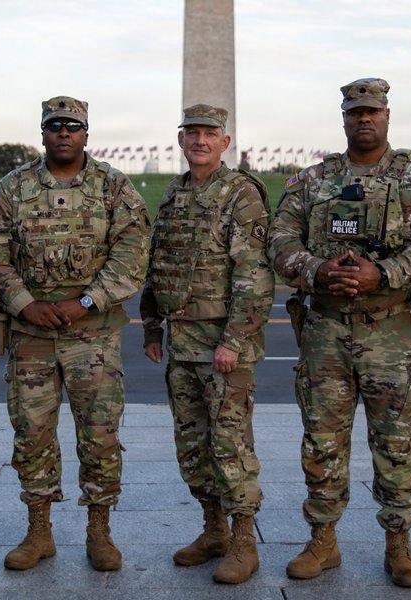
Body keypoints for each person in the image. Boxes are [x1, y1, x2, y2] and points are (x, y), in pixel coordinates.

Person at [267, 78, 411, 587]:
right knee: (322, 442)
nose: (364, 119)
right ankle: (323, 541)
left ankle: (399, 542)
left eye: (372, 111)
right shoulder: (312, 181)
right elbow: (279, 238)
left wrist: (386, 273)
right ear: (344, 118)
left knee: (396, 444)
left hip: (390, 333)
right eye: (355, 112)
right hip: (325, 331)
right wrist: (314, 270)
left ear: (388, 115)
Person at [0, 96, 150, 572]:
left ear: (86, 134)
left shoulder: (113, 187)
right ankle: (39, 531)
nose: (63, 133)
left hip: (91, 336)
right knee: (31, 435)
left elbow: (133, 253)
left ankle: (99, 531)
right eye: (54, 125)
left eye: (72, 126)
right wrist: (25, 304)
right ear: (43, 133)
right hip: (31, 334)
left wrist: (87, 301)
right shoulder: (13, 188)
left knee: (99, 435)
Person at [139, 104, 273, 584]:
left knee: (230, 443)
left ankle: (243, 541)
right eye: (191, 132)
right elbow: (159, 263)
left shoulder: (241, 193)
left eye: (209, 133)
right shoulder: (175, 195)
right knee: (193, 443)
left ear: (225, 142)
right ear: (180, 140)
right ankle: (213, 529)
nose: (199, 140)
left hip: (222, 344)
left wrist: (235, 339)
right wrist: (152, 326)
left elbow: (254, 274)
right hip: (181, 343)